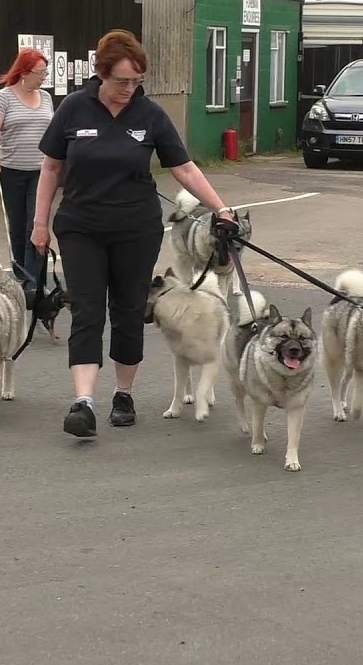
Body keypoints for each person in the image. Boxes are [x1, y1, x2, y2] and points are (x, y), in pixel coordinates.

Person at [32, 29, 235, 438]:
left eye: (137, 81)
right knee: (87, 311)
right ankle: (83, 403)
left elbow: (184, 167)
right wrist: (39, 224)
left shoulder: (150, 115)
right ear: (101, 74)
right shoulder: (74, 109)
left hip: (136, 229)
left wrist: (221, 207)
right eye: (122, 80)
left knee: (127, 311)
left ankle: (123, 394)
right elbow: (51, 168)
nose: (130, 89)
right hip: (81, 226)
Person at [0, 47, 53, 292]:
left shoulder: (46, 98)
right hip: (12, 171)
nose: (44, 76)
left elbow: (53, 135)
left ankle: (36, 281)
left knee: (36, 224)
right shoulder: (4, 97)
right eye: (40, 72)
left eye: (46, 72)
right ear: (24, 72)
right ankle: (22, 275)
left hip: (41, 171)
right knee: (17, 226)